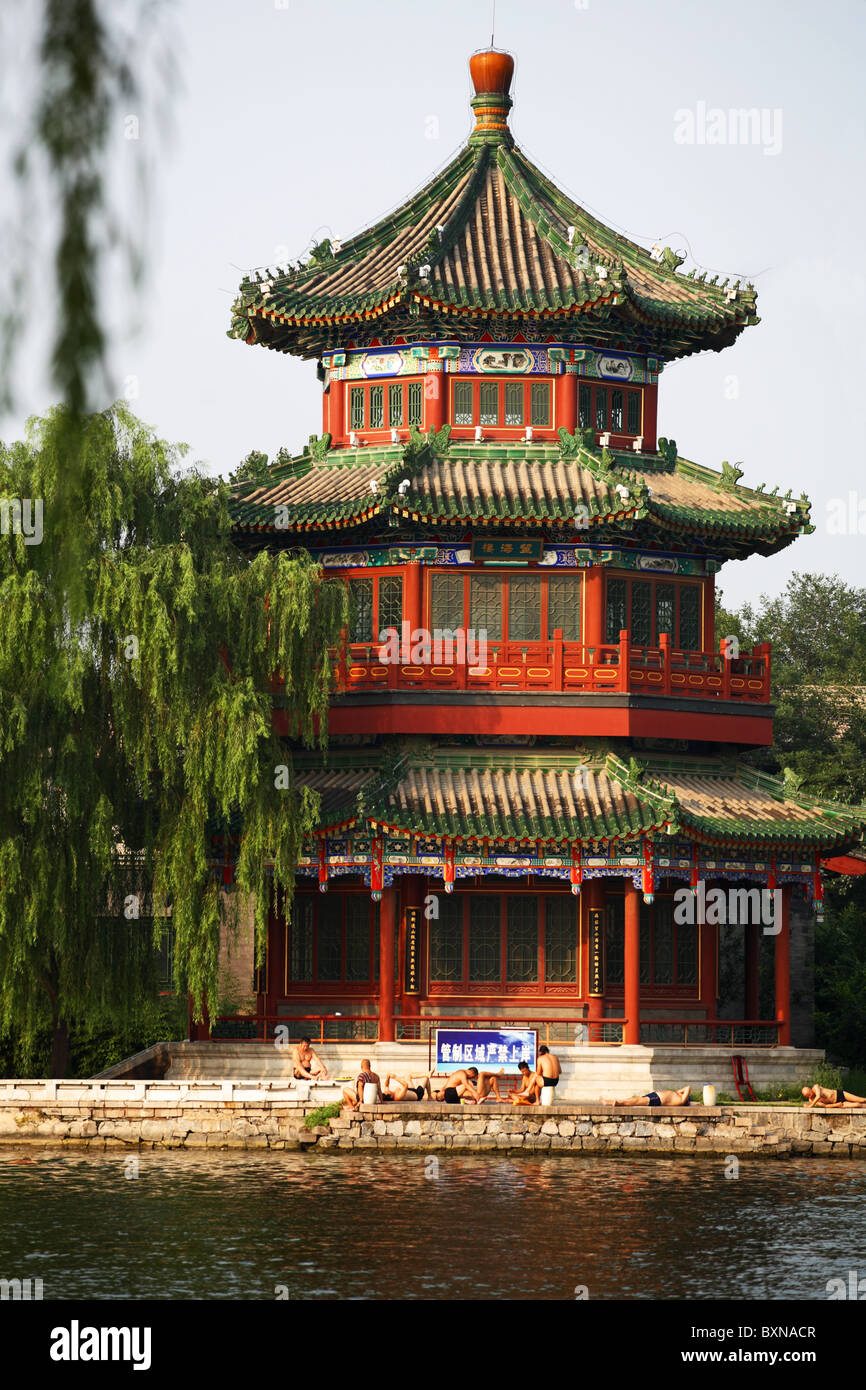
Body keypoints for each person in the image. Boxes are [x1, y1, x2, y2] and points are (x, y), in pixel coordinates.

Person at [601, 1085, 692, 1107]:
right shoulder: (678, 1097)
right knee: (636, 1099)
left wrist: (679, 1092)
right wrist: (678, 1092)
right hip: (655, 1095)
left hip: (657, 1099)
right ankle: (618, 1102)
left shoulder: (681, 1100)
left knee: (636, 1101)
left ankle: (613, 1102)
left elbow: (688, 1087)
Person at [802, 1084, 866, 1108]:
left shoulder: (815, 1087)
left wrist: (810, 1106)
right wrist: (836, 1105)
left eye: (809, 1093)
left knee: (861, 1100)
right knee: (857, 1105)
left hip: (840, 1094)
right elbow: (825, 1106)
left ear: (810, 1089)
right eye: (807, 1096)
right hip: (837, 1103)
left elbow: (818, 1096)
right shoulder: (812, 1100)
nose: (810, 1096)